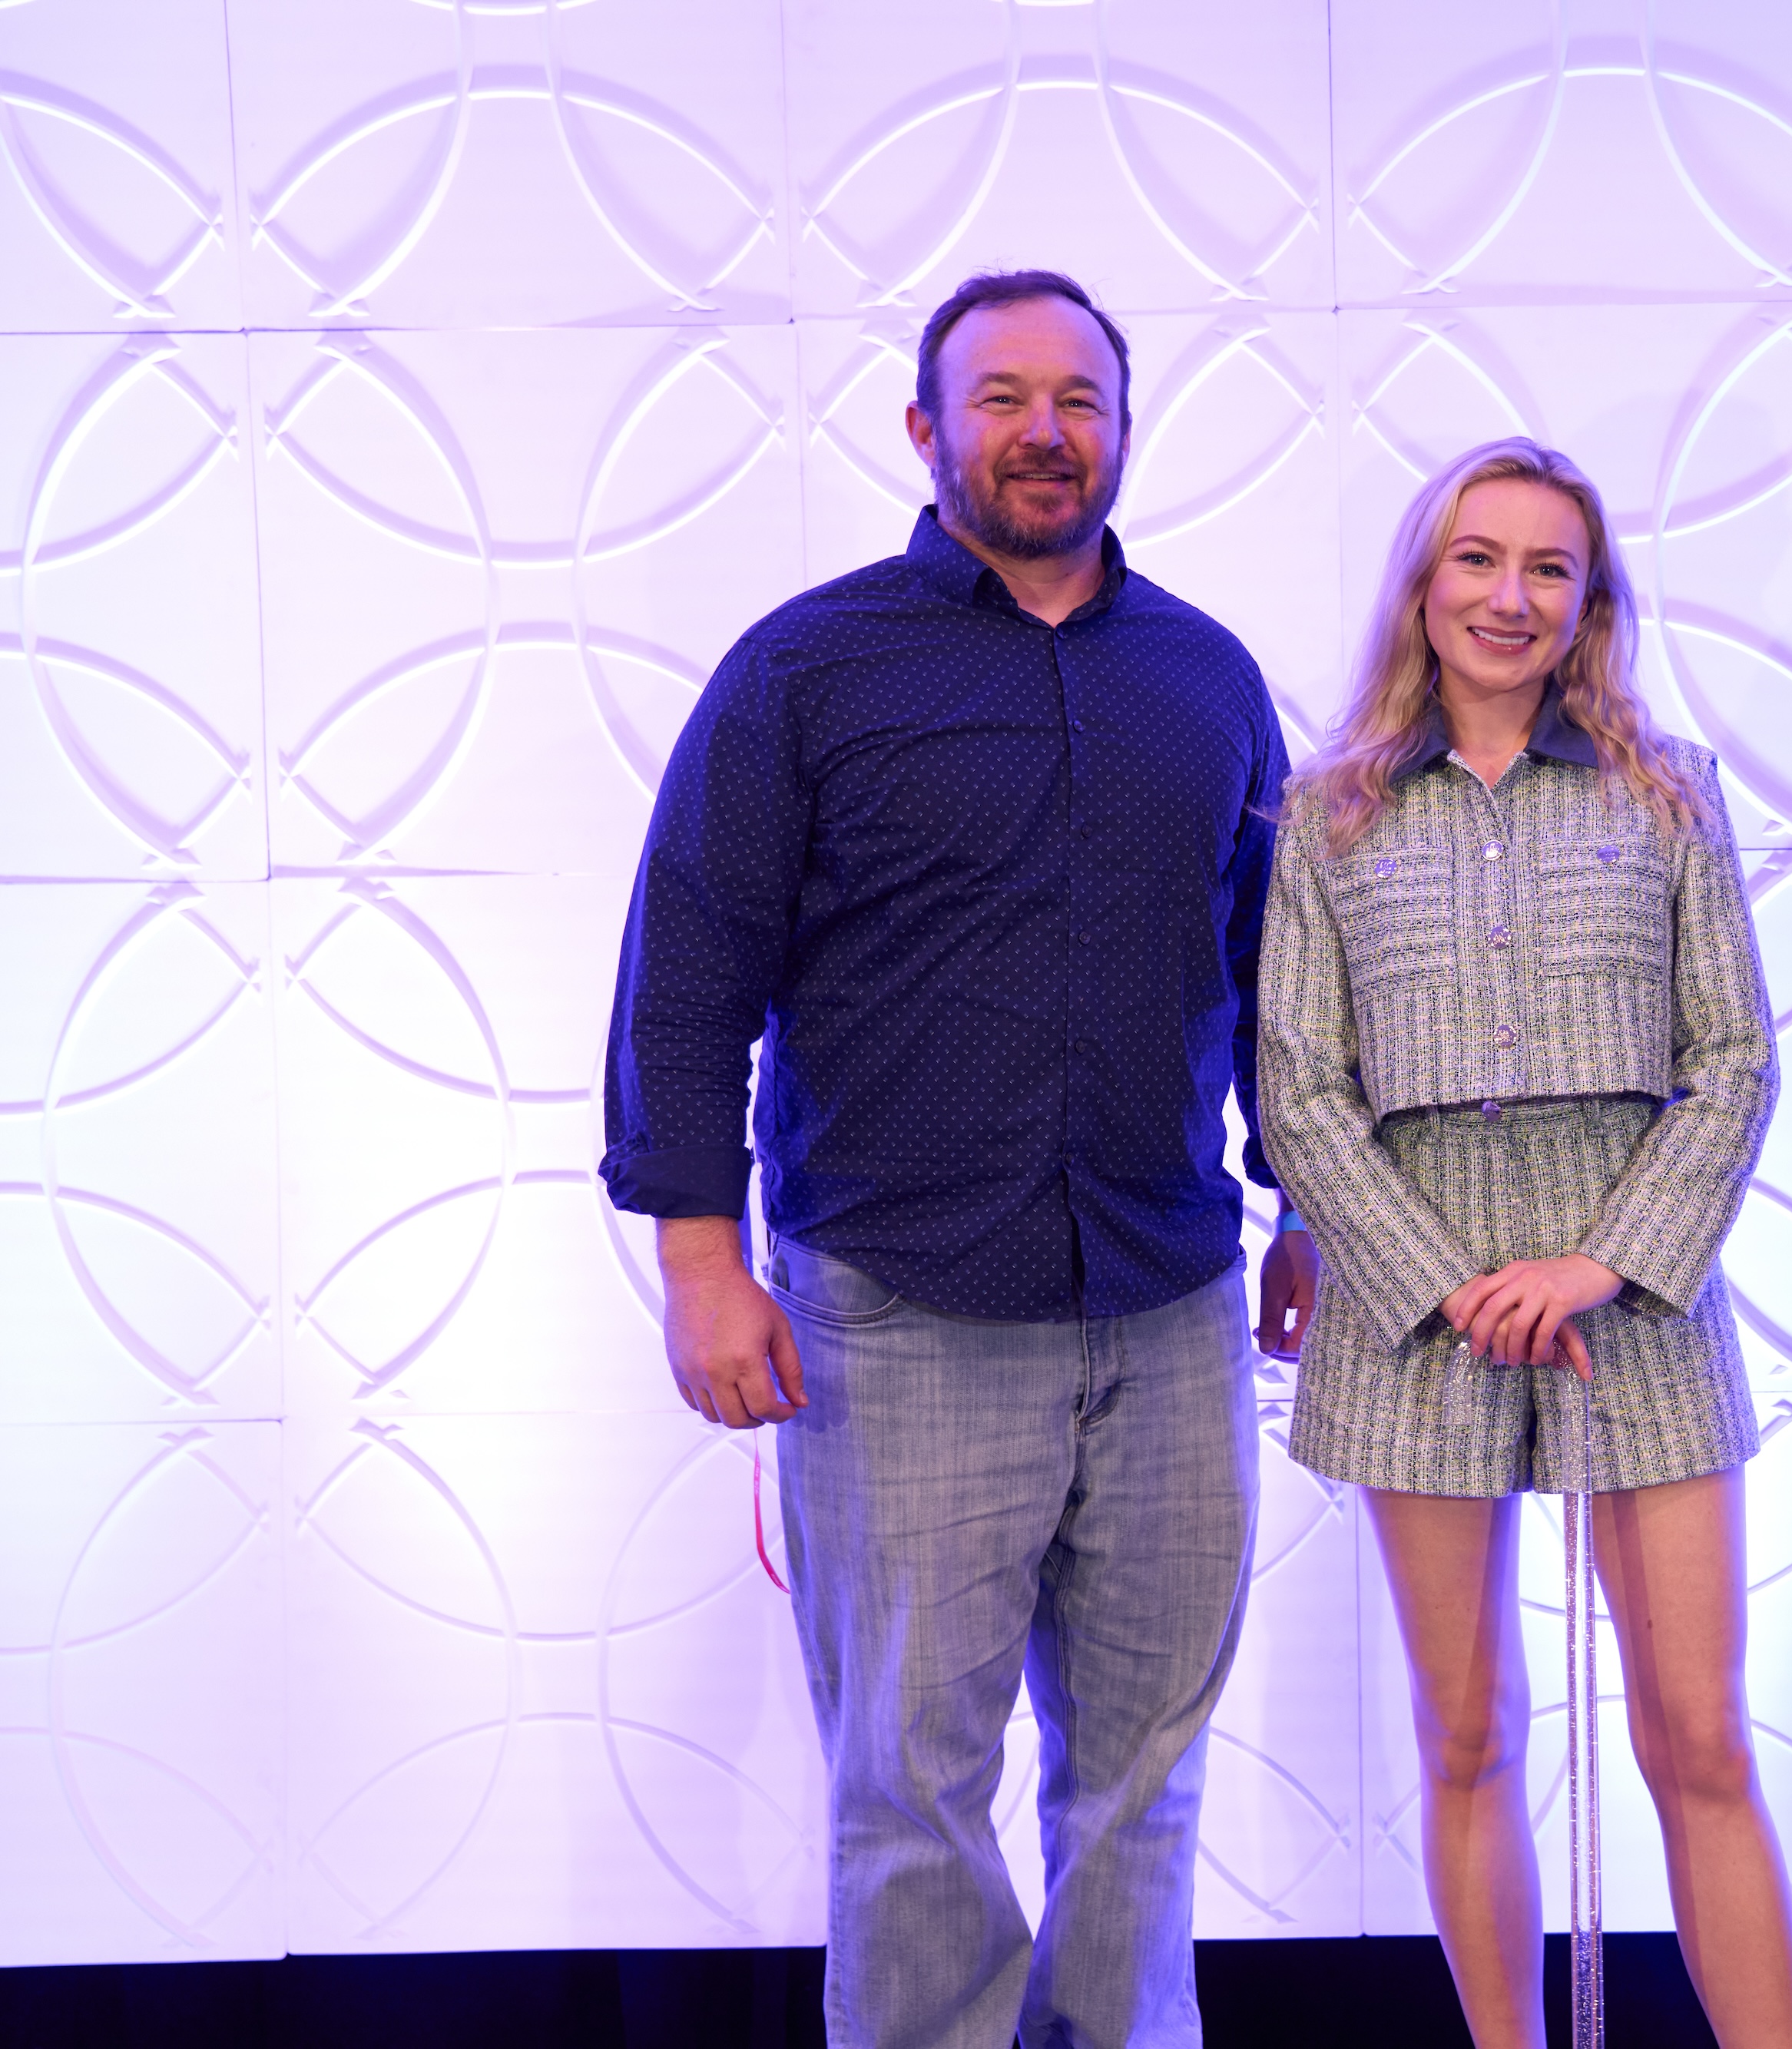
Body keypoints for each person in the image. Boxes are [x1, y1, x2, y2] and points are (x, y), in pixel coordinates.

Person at [600, 268, 1313, 2049]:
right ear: (925, 432)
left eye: (1078, 397)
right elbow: (689, 969)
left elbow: (1274, 976)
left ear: (1123, 431)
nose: (1042, 430)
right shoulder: (806, 671)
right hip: (900, 1308)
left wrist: (1298, 1199)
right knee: (911, 1791)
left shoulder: (1205, 679)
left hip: (1167, 1301)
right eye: (998, 396)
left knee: (1143, 1781)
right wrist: (702, 1260)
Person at [1256, 438, 1792, 2047]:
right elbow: (1294, 1084)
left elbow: (1737, 1058)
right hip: (1406, 1309)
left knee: (1699, 1731)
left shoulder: (1667, 791)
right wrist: (1439, 1280)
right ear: (1422, 587)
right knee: (1465, 1730)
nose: (1509, 595)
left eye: (1548, 567)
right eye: (1476, 558)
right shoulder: (1327, 814)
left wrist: (1602, 1260)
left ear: (1588, 603)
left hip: (1634, 1294)